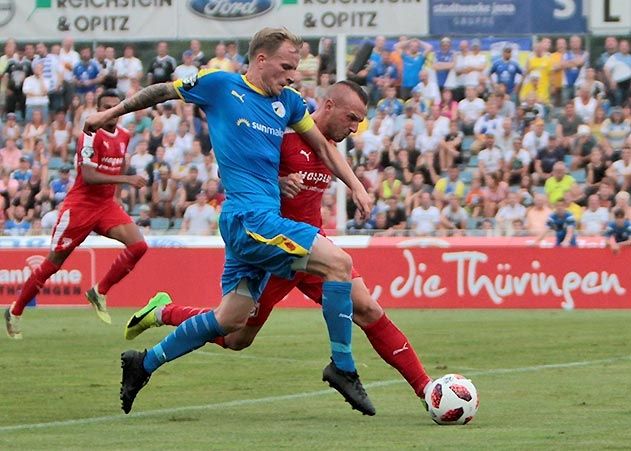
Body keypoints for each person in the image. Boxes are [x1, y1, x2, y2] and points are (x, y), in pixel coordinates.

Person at [83, 28, 374, 416]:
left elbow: (323, 145)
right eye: (286, 67)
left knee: (231, 322)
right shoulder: (220, 85)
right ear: (260, 60)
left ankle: (143, 362)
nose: (291, 76)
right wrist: (109, 114)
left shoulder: (287, 102)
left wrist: (355, 185)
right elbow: (160, 91)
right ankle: (343, 367)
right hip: (248, 219)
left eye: (295, 68)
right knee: (339, 264)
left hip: (256, 223)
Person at [125, 86, 432, 408]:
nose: (354, 128)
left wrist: (356, 186)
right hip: (273, 251)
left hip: (313, 247)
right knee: (235, 337)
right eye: (351, 118)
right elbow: (229, 170)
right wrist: (277, 183)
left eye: (359, 121)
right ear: (328, 106)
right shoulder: (282, 135)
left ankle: (425, 388)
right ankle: (163, 312)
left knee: (367, 308)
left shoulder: (327, 147)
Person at [5, 90, 148, 340]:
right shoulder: (90, 134)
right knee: (53, 264)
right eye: (106, 107)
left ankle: (99, 291)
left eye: (116, 107)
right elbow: (89, 177)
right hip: (80, 207)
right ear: (98, 108)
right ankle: (15, 310)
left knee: (138, 246)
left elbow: (120, 162)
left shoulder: (125, 135)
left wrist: (116, 191)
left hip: (106, 206)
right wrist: (126, 179)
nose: (112, 113)